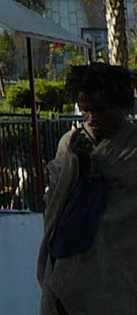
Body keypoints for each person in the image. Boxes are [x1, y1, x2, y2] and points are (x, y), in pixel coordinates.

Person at [37, 62, 137, 315]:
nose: (92, 118)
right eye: (86, 111)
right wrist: (77, 166)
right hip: (72, 271)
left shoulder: (132, 145)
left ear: (120, 106)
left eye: (100, 110)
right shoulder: (70, 144)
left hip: (121, 273)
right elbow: (55, 206)